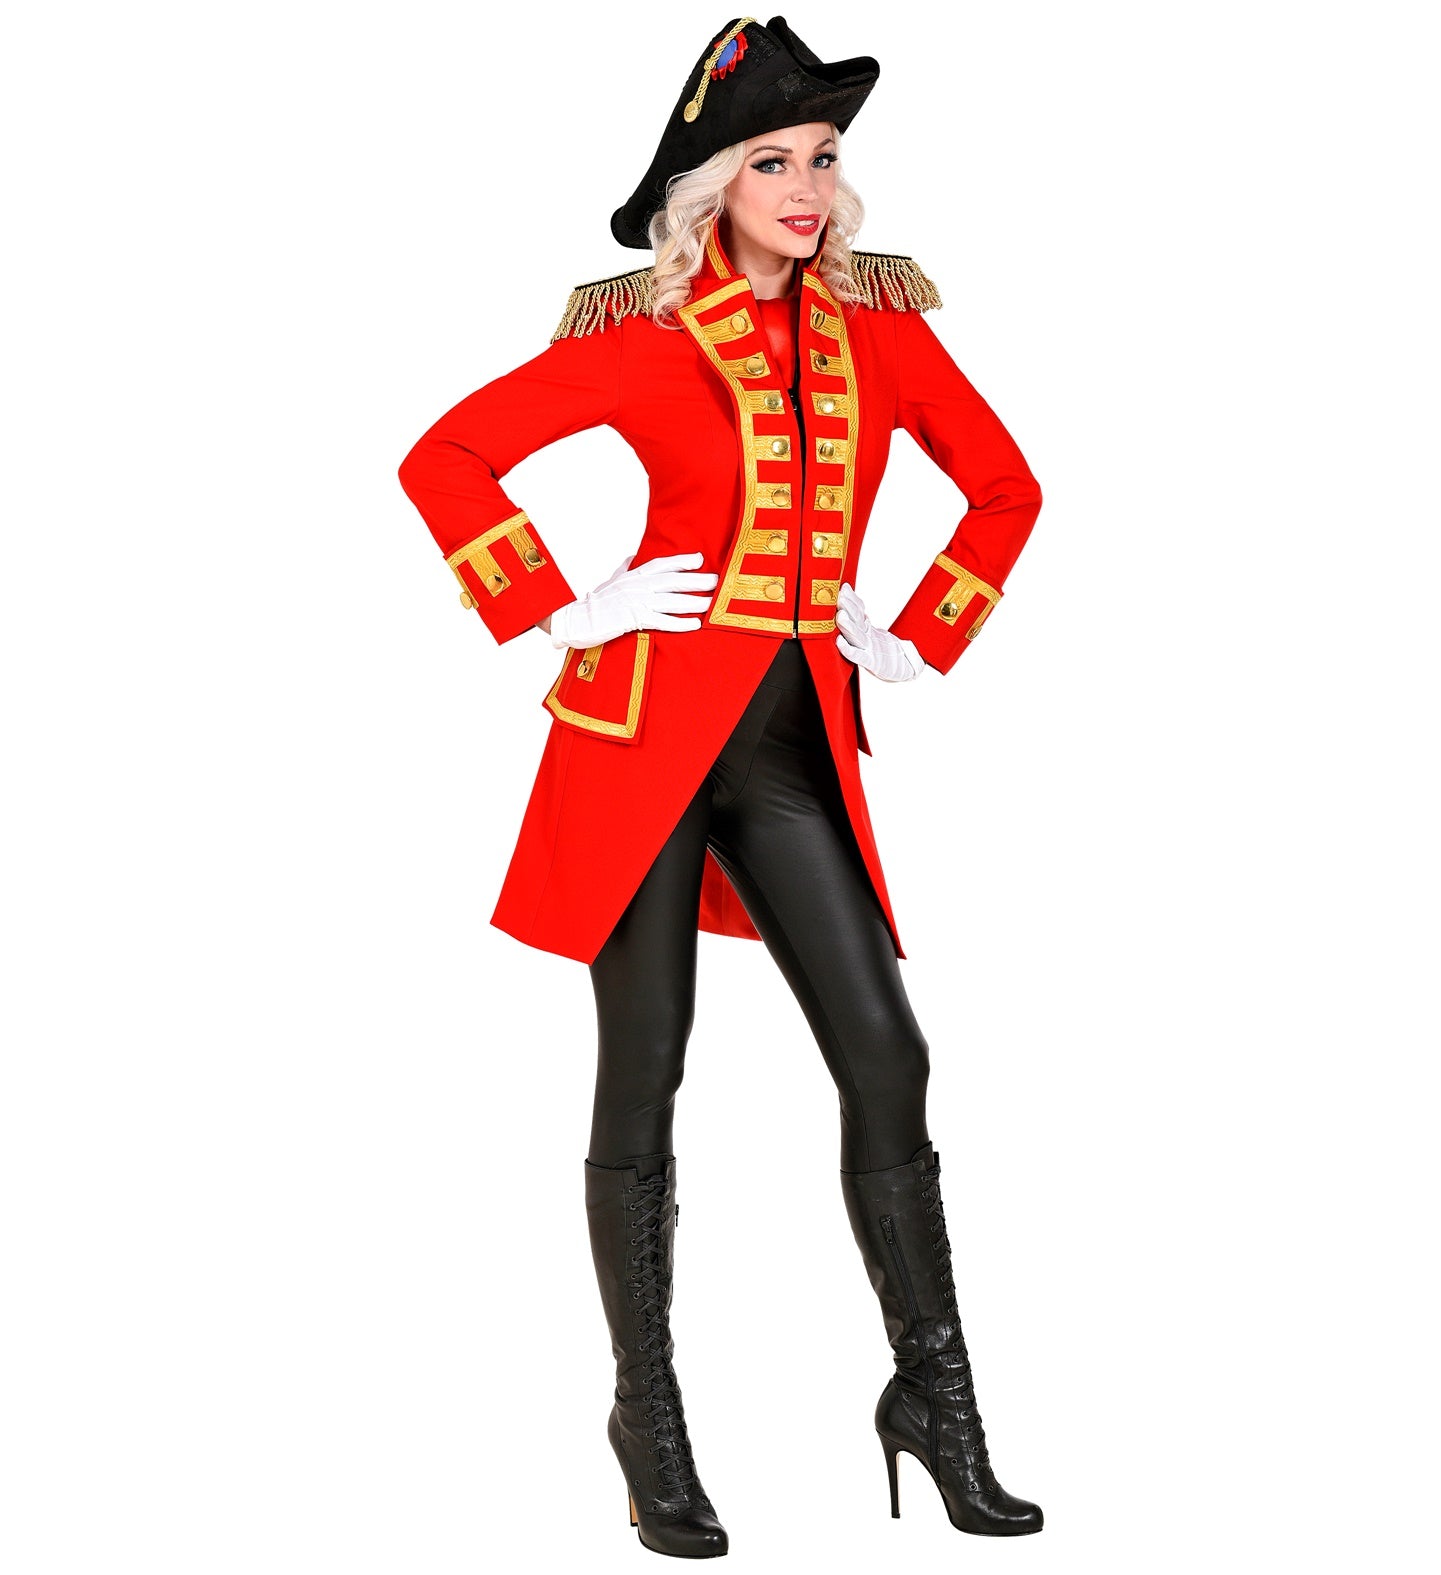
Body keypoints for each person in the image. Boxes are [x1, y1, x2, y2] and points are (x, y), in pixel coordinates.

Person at [397, 15, 1044, 1557]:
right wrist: (562, 608)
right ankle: (651, 1419)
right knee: (646, 1070)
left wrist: (919, 631)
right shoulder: (637, 331)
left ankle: (934, 1400)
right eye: (771, 161)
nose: (807, 188)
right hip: (637, 747)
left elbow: (1007, 484)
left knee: (886, 1056)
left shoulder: (880, 329)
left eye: (822, 157)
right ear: (711, 184)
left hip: (786, 754)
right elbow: (445, 457)